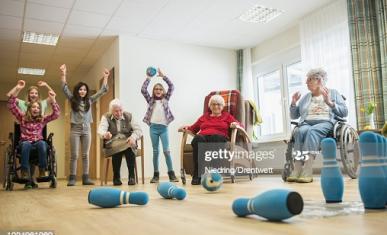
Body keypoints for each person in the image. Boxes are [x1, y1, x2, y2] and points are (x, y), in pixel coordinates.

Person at [288, 68, 348, 183]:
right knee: (299, 132)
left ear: (319, 80)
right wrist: (294, 103)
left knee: (312, 131)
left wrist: (330, 103)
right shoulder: (306, 97)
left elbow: (344, 112)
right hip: (306, 123)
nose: (306, 82)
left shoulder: (333, 93)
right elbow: (294, 115)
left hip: (325, 122)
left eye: (310, 80)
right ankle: (297, 169)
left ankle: (307, 169)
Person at [60, 64, 110, 186]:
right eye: (80, 89)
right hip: (75, 130)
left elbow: (102, 91)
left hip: (87, 129)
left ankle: (85, 178)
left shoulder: (90, 100)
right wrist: (63, 73)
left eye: (84, 89)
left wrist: (106, 77)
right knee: (74, 155)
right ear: (77, 91)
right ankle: (72, 177)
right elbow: (64, 88)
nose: (82, 91)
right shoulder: (72, 100)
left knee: (85, 154)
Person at [179, 95, 242, 185]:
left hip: (219, 138)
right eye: (213, 104)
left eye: (218, 104)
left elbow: (239, 125)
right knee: (197, 139)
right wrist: (186, 128)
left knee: (215, 138)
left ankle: (214, 174)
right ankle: (197, 175)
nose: (216, 106)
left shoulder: (227, 116)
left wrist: (235, 124)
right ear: (210, 106)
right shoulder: (204, 117)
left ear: (222, 106)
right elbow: (193, 128)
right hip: (203, 137)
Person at [7, 80, 60, 182]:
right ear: (29, 109)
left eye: (38, 107)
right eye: (33, 107)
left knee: (42, 144)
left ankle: (42, 170)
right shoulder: (22, 117)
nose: (36, 109)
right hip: (25, 143)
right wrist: (18, 88)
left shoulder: (42, 119)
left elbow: (56, 114)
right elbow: (11, 105)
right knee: (26, 144)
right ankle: (24, 172)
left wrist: (53, 100)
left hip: (37, 143)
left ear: (40, 110)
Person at [141, 68, 178, 183]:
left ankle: (171, 173)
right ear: (153, 91)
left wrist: (163, 76)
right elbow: (143, 90)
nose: (158, 90)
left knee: (166, 151)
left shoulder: (166, 99)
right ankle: (156, 174)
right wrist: (149, 78)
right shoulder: (150, 100)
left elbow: (171, 86)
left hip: (163, 128)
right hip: (153, 128)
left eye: (160, 89)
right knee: (155, 151)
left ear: (163, 91)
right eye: (156, 89)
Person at [98, 99, 143, 185]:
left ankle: (131, 176)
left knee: (129, 147)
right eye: (116, 111)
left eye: (120, 110)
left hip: (127, 142)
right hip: (113, 143)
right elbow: (101, 130)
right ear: (111, 111)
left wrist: (133, 137)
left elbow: (139, 130)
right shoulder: (106, 117)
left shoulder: (129, 116)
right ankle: (116, 177)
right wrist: (105, 134)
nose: (119, 113)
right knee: (117, 148)